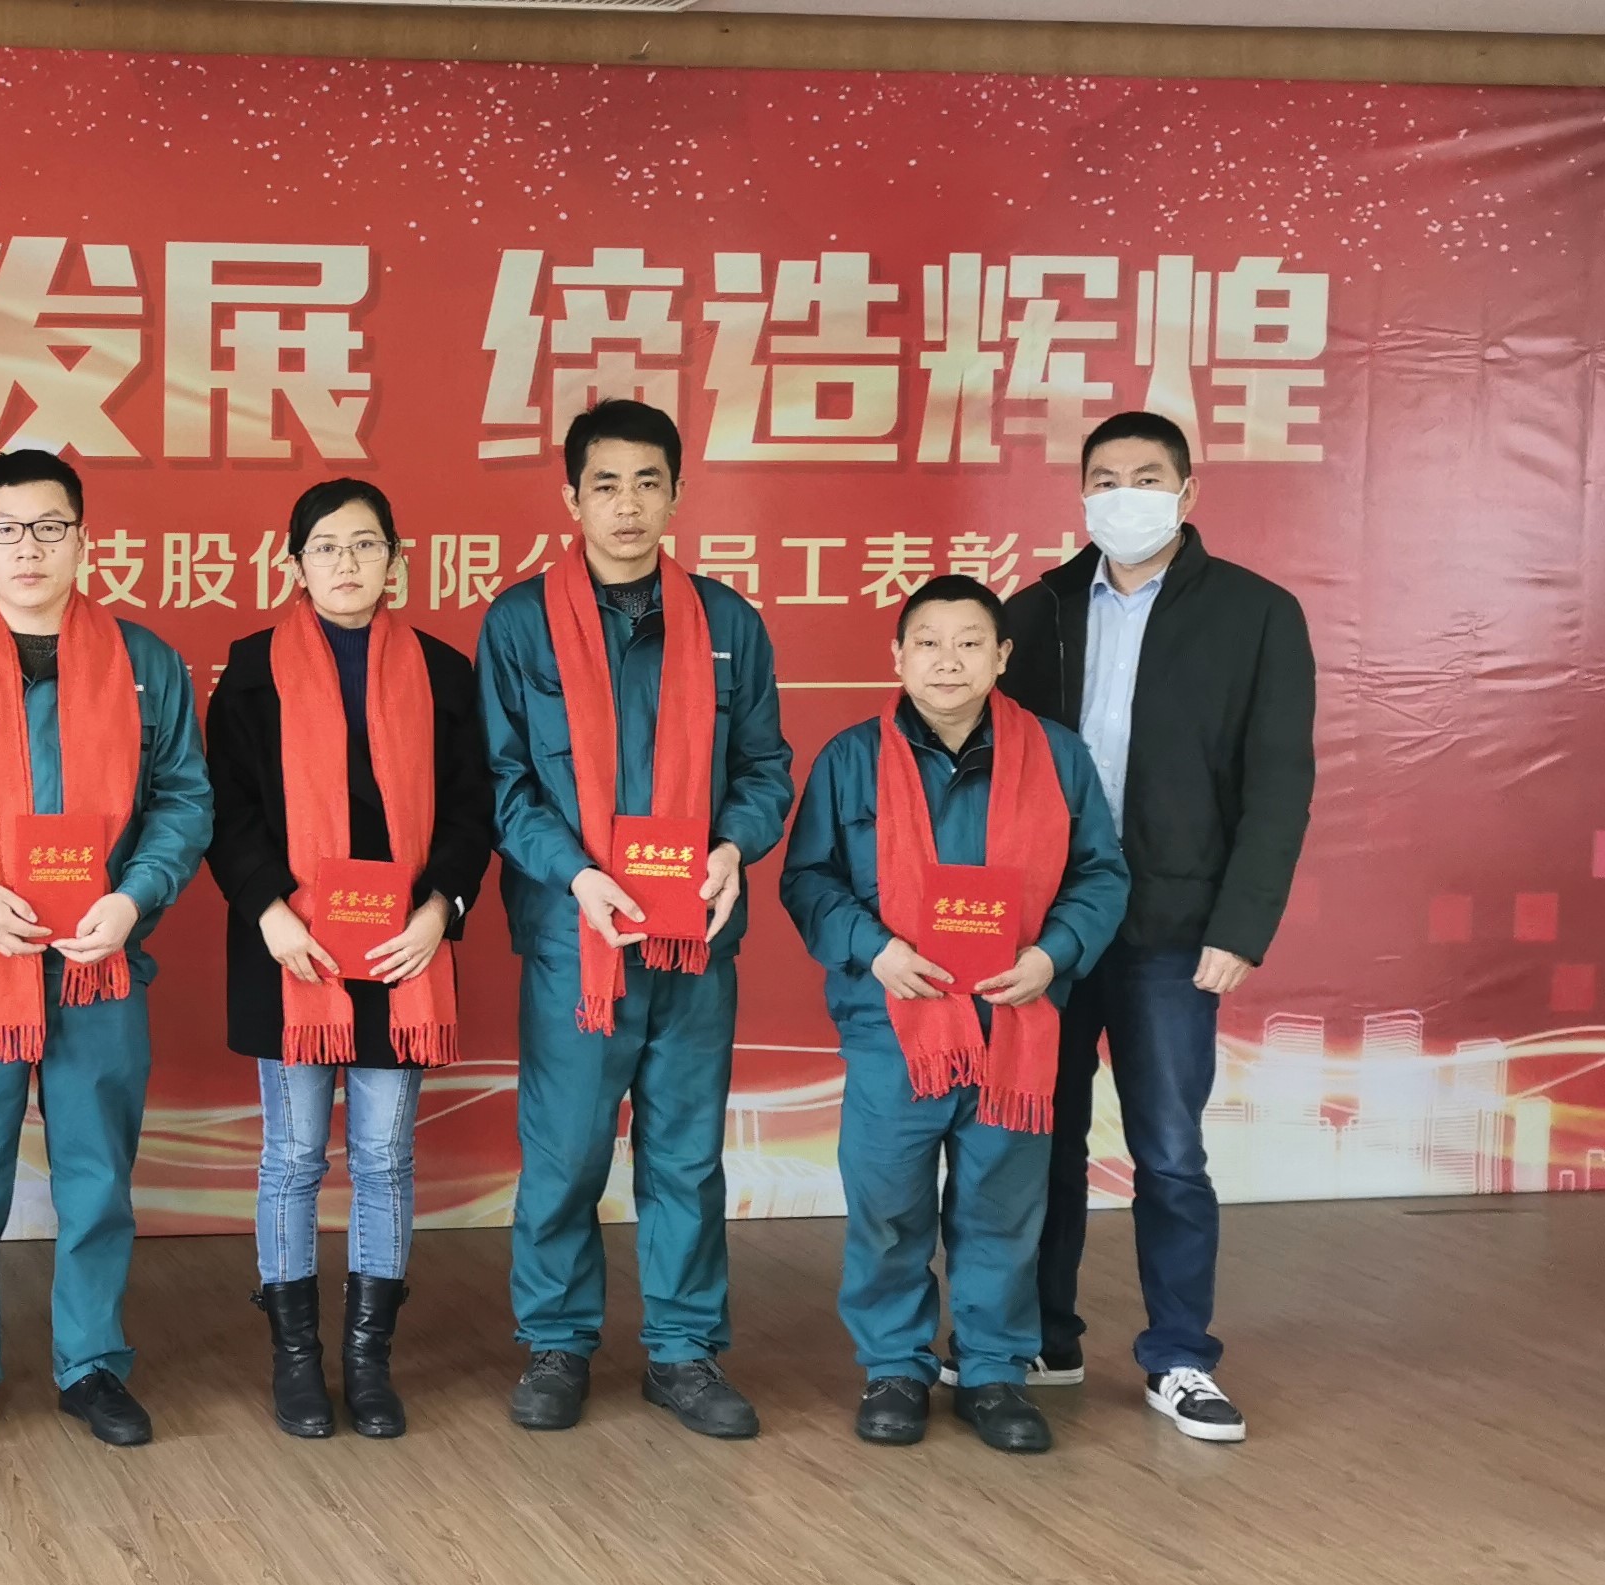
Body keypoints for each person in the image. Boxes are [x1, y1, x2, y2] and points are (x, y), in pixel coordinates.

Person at [0, 448, 214, 1453]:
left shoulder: (144, 663)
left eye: (49, 527)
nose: (28, 547)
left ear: (82, 538)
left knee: (97, 1176)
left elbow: (184, 799)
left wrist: (132, 897)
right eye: (7, 529)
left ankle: (92, 1362)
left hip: (97, 959)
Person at [475, 399, 793, 1439]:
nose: (626, 505)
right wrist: (575, 875)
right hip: (576, 936)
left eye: (646, 483)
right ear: (570, 498)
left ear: (676, 494)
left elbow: (764, 768)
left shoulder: (728, 624)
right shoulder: (518, 623)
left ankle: (682, 1351)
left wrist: (732, 848)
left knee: (684, 1154)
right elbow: (505, 783)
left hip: (694, 937)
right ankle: (557, 1343)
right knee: (565, 1150)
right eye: (604, 484)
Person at [1002, 410, 1314, 1442]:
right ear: (1080, 493)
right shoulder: (1037, 611)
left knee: (1169, 1151)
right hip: (1049, 929)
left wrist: (1242, 924)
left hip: (1175, 928)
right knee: (1035, 1138)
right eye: (1104, 477)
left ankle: (1179, 1356)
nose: (1122, 494)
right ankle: (1041, 1336)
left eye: (1145, 476)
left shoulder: (1255, 615)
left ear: (1186, 491)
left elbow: (1278, 783)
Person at [779, 574, 1127, 1453]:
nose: (948, 660)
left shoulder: (1056, 756)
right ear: (897, 656)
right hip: (894, 1023)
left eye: (971, 642)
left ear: (1002, 656)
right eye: (928, 642)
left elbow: (1101, 873)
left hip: (1016, 1023)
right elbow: (808, 878)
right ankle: (895, 1365)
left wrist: (1052, 955)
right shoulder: (851, 759)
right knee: (888, 1203)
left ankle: (993, 1371)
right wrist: (875, 949)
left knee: (1001, 1207)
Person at [201, 479, 492, 1440]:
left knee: (383, 1157)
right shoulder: (252, 671)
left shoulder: (444, 673)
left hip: (403, 951)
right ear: (295, 564)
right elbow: (226, 808)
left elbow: (472, 808)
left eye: (366, 544)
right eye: (326, 546)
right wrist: (268, 911)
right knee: (292, 1157)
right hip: (293, 951)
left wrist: (440, 908)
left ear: (394, 558)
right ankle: (295, 1359)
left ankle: (368, 1361)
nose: (347, 562)